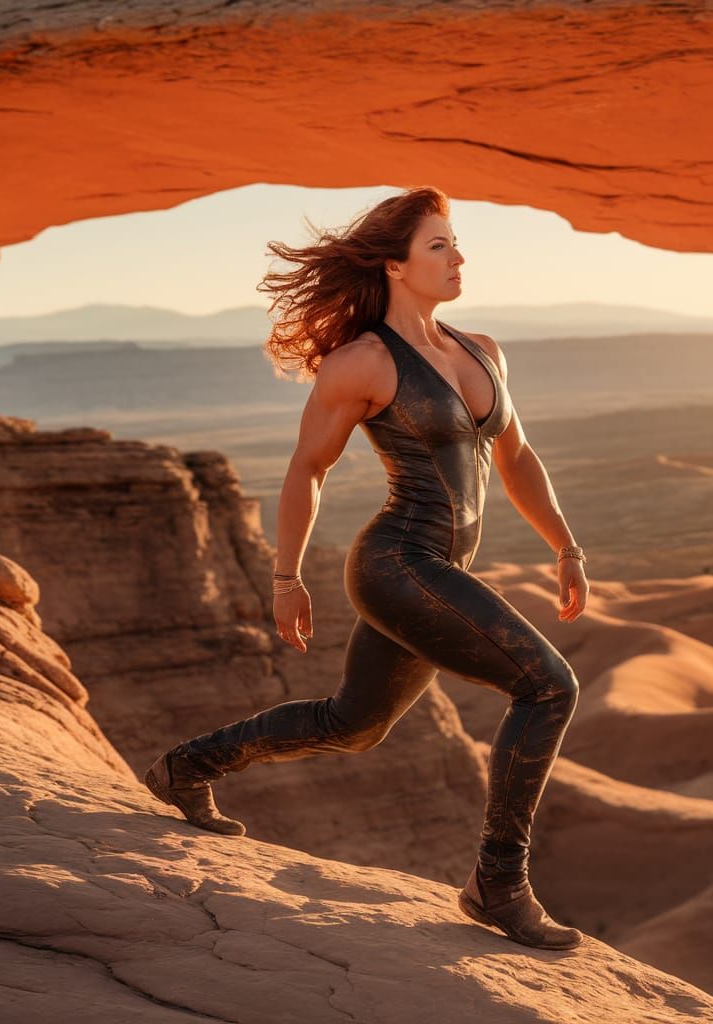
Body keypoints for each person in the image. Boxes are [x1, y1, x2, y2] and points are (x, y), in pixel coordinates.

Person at [145, 186, 590, 951]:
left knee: (353, 726)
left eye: (457, 243)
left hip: (440, 569)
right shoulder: (364, 363)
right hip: (398, 563)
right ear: (394, 264)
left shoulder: (482, 349)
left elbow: (515, 458)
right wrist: (285, 578)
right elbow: (306, 471)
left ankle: (187, 768)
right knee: (549, 686)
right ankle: (498, 883)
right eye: (439, 247)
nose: (458, 258)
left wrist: (566, 544)